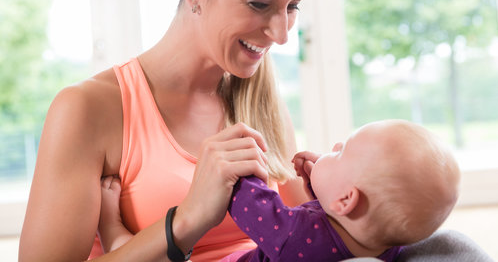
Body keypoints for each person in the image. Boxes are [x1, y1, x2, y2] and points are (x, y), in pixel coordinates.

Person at [19, 0, 494, 261]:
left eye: (293, 6)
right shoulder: (88, 109)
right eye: (260, 4)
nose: (283, 34)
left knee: (450, 247)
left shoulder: (259, 97)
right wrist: (185, 221)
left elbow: (310, 240)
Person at [97, 120, 460, 262]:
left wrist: (243, 168)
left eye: (341, 151)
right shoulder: (384, 243)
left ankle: (111, 229)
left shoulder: (295, 238)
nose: (332, 146)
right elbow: (343, 227)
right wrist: (319, 190)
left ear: (346, 200)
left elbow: (253, 207)